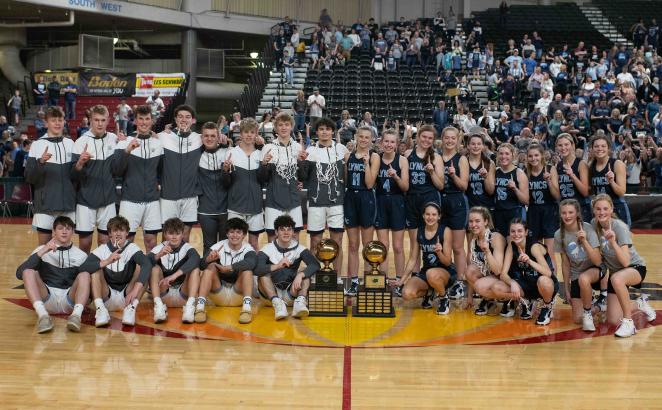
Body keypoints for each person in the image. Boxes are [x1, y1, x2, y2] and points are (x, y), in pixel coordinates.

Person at [592, 194, 656, 337]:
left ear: (611, 209)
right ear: (594, 210)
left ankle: (629, 323)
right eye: (598, 209)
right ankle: (639, 304)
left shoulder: (619, 227)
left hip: (634, 268)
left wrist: (613, 242)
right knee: (613, 320)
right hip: (616, 273)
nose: (602, 212)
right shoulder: (593, 225)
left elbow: (626, 261)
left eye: (605, 208)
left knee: (616, 279)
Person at [15, 216, 90, 333]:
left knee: (85, 274)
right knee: (28, 271)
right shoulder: (41, 249)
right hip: (47, 298)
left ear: (73, 232)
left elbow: (86, 284)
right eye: (60, 228)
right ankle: (43, 316)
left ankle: (76, 316)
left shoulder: (81, 255)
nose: (64, 231)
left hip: (69, 299)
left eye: (68, 228)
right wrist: (44, 250)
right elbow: (20, 274)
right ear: (53, 232)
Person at [298, 117, 348, 282]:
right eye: (321, 129)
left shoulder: (341, 149)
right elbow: (303, 177)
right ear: (317, 132)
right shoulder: (311, 151)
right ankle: (313, 276)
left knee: (337, 242)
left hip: (337, 203)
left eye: (328, 129)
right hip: (316, 203)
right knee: (315, 242)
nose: (325, 132)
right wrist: (302, 162)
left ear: (332, 131)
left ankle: (338, 277)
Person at [82, 215, 151, 327]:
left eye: (122, 230)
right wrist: (106, 261)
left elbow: (147, 264)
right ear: (110, 234)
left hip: (128, 297)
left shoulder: (132, 248)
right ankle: (100, 310)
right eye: (115, 230)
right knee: (95, 270)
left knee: (143, 267)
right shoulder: (102, 250)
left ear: (127, 233)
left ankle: (131, 309)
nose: (118, 233)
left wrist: (135, 290)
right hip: (106, 297)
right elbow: (83, 268)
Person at [114, 105, 163, 252]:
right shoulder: (124, 142)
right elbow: (116, 171)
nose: (144, 122)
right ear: (135, 121)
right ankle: (126, 274)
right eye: (140, 119)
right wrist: (127, 151)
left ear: (152, 121)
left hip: (152, 200)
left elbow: (161, 170)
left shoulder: (158, 143)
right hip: (129, 199)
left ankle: (150, 274)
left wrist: (158, 183)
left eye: (147, 119)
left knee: (151, 241)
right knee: (125, 241)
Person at [25, 106, 76, 245]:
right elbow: (29, 177)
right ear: (46, 123)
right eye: (53, 120)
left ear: (64, 121)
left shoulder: (71, 144)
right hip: (44, 206)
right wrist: (40, 162)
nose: (57, 123)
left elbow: (75, 176)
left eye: (60, 120)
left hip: (67, 205)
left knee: (64, 248)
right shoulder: (37, 145)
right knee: (44, 248)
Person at [72, 105, 119, 254]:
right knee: (85, 244)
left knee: (105, 244)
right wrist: (80, 162)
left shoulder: (114, 139)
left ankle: (101, 276)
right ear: (90, 120)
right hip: (85, 200)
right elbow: (72, 175)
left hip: (107, 200)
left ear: (108, 121)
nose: (99, 123)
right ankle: (84, 276)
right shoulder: (80, 142)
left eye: (102, 120)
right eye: (96, 120)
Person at [255, 215, 320, 320]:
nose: (286, 232)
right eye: (282, 229)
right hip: (269, 295)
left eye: (289, 229)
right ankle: (277, 304)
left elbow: (315, 265)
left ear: (293, 232)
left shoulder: (300, 249)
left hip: (290, 293)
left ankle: (299, 303)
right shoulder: (267, 249)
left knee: (305, 273)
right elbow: (256, 269)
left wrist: (300, 275)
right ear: (276, 232)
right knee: (263, 274)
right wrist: (277, 265)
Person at [404, 125, 445, 282]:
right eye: (424, 137)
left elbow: (440, 185)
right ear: (418, 136)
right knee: (415, 242)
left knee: (432, 240)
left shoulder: (436, 157)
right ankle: (416, 276)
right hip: (412, 199)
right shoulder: (408, 154)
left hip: (430, 198)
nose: (427, 140)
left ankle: (435, 275)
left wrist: (432, 171)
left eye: (430, 138)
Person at [554, 199, 603, 331]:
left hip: (596, 271)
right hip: (577, 273)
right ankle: (598, 307)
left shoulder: (588, 228)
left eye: (570, 212)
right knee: (577, 319)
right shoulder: (559, 235)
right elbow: (565, 263)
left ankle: (588, 311)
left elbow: (598, 260)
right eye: (564, 213)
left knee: (584, 279)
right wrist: (567, 289)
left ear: (577, 213)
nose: (567, 216)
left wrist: (584, 240)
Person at [197, 218, 257, 324]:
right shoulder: (218, 246)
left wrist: (230, 267)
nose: (235, 235)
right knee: (210, 267)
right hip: (218, 293)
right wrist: (208, 259)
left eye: (238, 232)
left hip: (238, 294)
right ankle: (200, 308)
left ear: (244, 235)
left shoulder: (248, 248)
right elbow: (200, 265)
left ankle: (247, 310)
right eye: (232, 232)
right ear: (227, 234)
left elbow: (252, 263)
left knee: (247, 270)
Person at [400, 202, 457, 315]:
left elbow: (447, 261)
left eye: (434, 214)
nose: (430, 217)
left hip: (446, 271)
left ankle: (443, 297)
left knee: (432, 274)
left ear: (439, 216)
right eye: (427, 214)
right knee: (406, 294)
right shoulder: (418, 231)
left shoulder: (445, 231)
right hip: (426, 272)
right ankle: (430, 292)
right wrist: (401, 280)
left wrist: (439, 252)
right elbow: (413, 259)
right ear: (423, 215)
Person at [344, 126, 380, 296]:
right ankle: (353, 281)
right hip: (350, 198)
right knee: (352, 245)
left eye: (367, 137)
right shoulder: (348, 156)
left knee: (367, 245)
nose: (364, 140)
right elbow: (345, 179)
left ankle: (367, 280)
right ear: (356, 137)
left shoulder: (374, 157)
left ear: (371, 139)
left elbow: (370, 183)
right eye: (361, 137)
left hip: (366, 198)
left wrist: (366, 165)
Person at [500, 218, 558, 325]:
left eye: (520, 231)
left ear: (526, 232)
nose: (516, 234)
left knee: (543, 280)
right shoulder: (511, 246)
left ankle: (547, 305)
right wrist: (513, 283)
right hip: (529, 284)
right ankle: (527, 301)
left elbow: (548, 273)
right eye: (513, 231)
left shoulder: (534, 247)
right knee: (497, 287)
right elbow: (503, 274)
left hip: (546, 284)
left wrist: (529, 261)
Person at [159, 105, 204, 242]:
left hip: (190, 196)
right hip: (168, 195)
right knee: (167, 236)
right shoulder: (163, 137)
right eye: (180, 116)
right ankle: (163, 263)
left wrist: (227, 141)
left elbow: (217, 142)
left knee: (185, 237)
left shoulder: (199, 139)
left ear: (193, 120)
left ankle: (183, 263)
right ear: (175, 119)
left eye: (187, 117)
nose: (184, 119)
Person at [258, 112, 305, 241]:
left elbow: (302, 177)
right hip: (273, 199)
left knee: (294, 237)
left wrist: (301, 162)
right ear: (275, 128)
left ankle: (293, 262)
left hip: (293, 199)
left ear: (291, 127)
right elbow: (262, 179)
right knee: (272, 237)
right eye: (280, 125)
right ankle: (273, 262)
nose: (284, 127)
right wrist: (264, 164)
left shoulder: (297, 147)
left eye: (287, 124)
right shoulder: (268, 147)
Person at [149, 217, 202, 324]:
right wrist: (158, 255)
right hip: (164, 293)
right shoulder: (159, 248)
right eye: (170, 233)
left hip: (184, 295)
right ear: (165, 234)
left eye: (177, 233)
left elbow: (196, 259)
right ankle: (158, 305)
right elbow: (144, 263)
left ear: (182, 234)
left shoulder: (187, 248)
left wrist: (174, 276)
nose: (174, 237)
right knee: (154, 268)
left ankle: (190, 307)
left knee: (195, 269)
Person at [375, 129, 409, 285]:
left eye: (392, 142)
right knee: (383, 246)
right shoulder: (376, 159)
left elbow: (405, 187)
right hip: (380, 201)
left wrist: (395, 176)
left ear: (396, 144)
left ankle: (399, 280)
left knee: (397, 246)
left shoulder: (402, 160)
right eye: (386, 141)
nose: (389, 144)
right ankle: (382, 279)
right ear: (381, 143)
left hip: (397, 202)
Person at [439, 126, 469, 300]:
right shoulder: (435, 157)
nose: (449, 141)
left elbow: (464, 186)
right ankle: (444, 279)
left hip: (457, 201)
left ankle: (460, 281)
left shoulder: (461, 159)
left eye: (453, 138)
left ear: (457, 140)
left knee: (458, 247)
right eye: (447, 138)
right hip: (439, 202)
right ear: (442, 139)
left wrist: (453, 175)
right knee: (442, 246)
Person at [225, 118, 264, 252]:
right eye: (246, 132)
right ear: (240, 133)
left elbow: (264, 180)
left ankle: (253, 273)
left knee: (254, 243)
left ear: (256, 134)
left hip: (255, 206)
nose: (249, 135)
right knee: (234, 243)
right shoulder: (231, 153)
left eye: (252, 132)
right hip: (235, 206)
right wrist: (224, 171)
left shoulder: (261, 154)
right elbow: (226, 182)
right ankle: (233, 272)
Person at [525, 144, 560, 270]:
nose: (533, 158)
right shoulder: (526, 173)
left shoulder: (550, 169)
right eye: (530, 156)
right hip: (533, 212)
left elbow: (556, 195)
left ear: (541, 156)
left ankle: (554, 283)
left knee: (550, 252)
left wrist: (549, 181)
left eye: (536, 155)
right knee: (537, 251)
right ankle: (541, 281)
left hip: (549, 211)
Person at [465, 206, 506, 315]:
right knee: (469, 270)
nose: (473, 225)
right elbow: (470, 272)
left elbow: (498, 271)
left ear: (486, 221)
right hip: (490, 275)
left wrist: (487, 251)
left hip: (506, 279)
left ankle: (509, 300)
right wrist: (469, 296)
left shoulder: (495, 237)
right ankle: (488, 299)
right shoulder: (474, 241)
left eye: (477, 221)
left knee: (479, 285)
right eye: (471, 221)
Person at [198, 121, 230, 254]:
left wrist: (225, 171)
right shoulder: (196, 154)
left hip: (226, 209)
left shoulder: (227, 152)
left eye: (213, 135)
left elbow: (228, 182)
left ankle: (223, 274)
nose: (209, 138)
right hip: (206, 210)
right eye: (206, 136)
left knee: (225, 246)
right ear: (201, 138)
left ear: (218, 137)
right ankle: (208, 273)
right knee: (208, 246)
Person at [588, 134, 630, 226]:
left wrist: (611, 181)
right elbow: (590, 191)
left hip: (617, 207)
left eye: (603, 146)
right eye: (596, 146)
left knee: (621, 239)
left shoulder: (617, 164)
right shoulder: (591, 166)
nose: (600, 149)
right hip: (600, 210)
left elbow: (621, 192)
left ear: (608, 148)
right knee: (601, 239)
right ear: (592, 149)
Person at [493, 143, 529, 238]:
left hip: (515, 212)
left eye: (507, 154)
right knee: (500, 243)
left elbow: (526, 200)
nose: (503, 156)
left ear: (513, 155)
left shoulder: (519, 173)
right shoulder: (495, 171)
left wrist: (515, 189)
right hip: (499, 213)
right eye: (501, 154)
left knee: (515, 243)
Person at [556, 133, 592, 222]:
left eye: (566, 144)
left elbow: (585, 192)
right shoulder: (558, 166)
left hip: (581, 208)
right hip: (565, 210)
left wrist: (572, 176)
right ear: (556, 147)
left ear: (572, 145)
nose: (563, 148)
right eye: (560, 145)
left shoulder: (581, 164)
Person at [465, 129, 495, 210]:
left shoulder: (489, 163)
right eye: (473, 144)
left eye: (479, 144)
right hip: (468, 207)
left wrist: (486, 177)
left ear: (483, 146)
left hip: (486, 206)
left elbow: (491, 191)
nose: (476, 146)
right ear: (468, 146)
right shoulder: (463, 162)